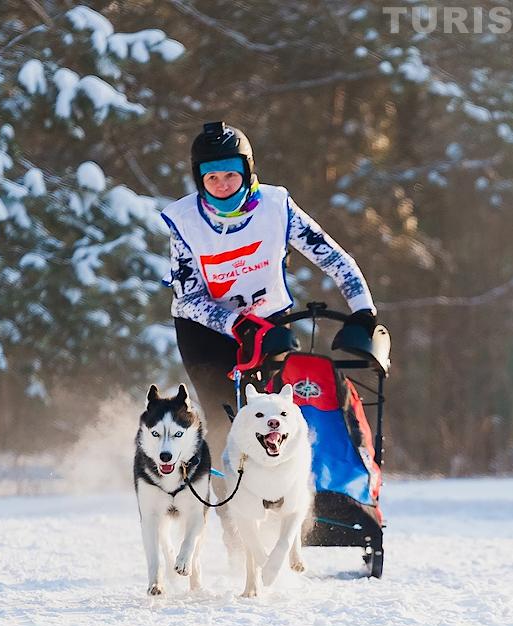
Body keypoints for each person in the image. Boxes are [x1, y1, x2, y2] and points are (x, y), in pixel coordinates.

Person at [161, 121, 378, 548]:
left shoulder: (277, 207)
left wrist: (363, 310)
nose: (222, 185)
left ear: (247, 172)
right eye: (211, 177)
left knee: (275, 417)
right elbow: (187, 297)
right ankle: (234, 522)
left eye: (230, 175)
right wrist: (234, 324)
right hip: (206, 329)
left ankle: (285, 514)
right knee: (227, 419)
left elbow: (333, 258)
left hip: (269, 325)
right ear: (199, 179)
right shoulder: (184, 222)